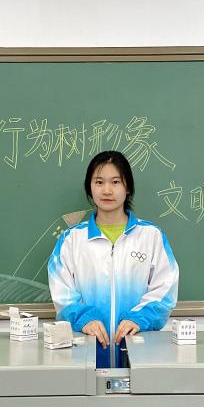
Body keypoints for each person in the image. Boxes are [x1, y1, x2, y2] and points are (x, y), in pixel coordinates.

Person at [47, 151, 179, 368]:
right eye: (99, 182)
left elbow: (165, 289)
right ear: (90, 187)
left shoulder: (151, 236)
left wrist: (139, 318)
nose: (107, 190)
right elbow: (61, 292)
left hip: (139, 354)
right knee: (88, 387)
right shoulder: (72, 239)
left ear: (128, 188)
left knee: (137, 388)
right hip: (85, 355)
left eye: (115, 182)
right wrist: (85, 318)